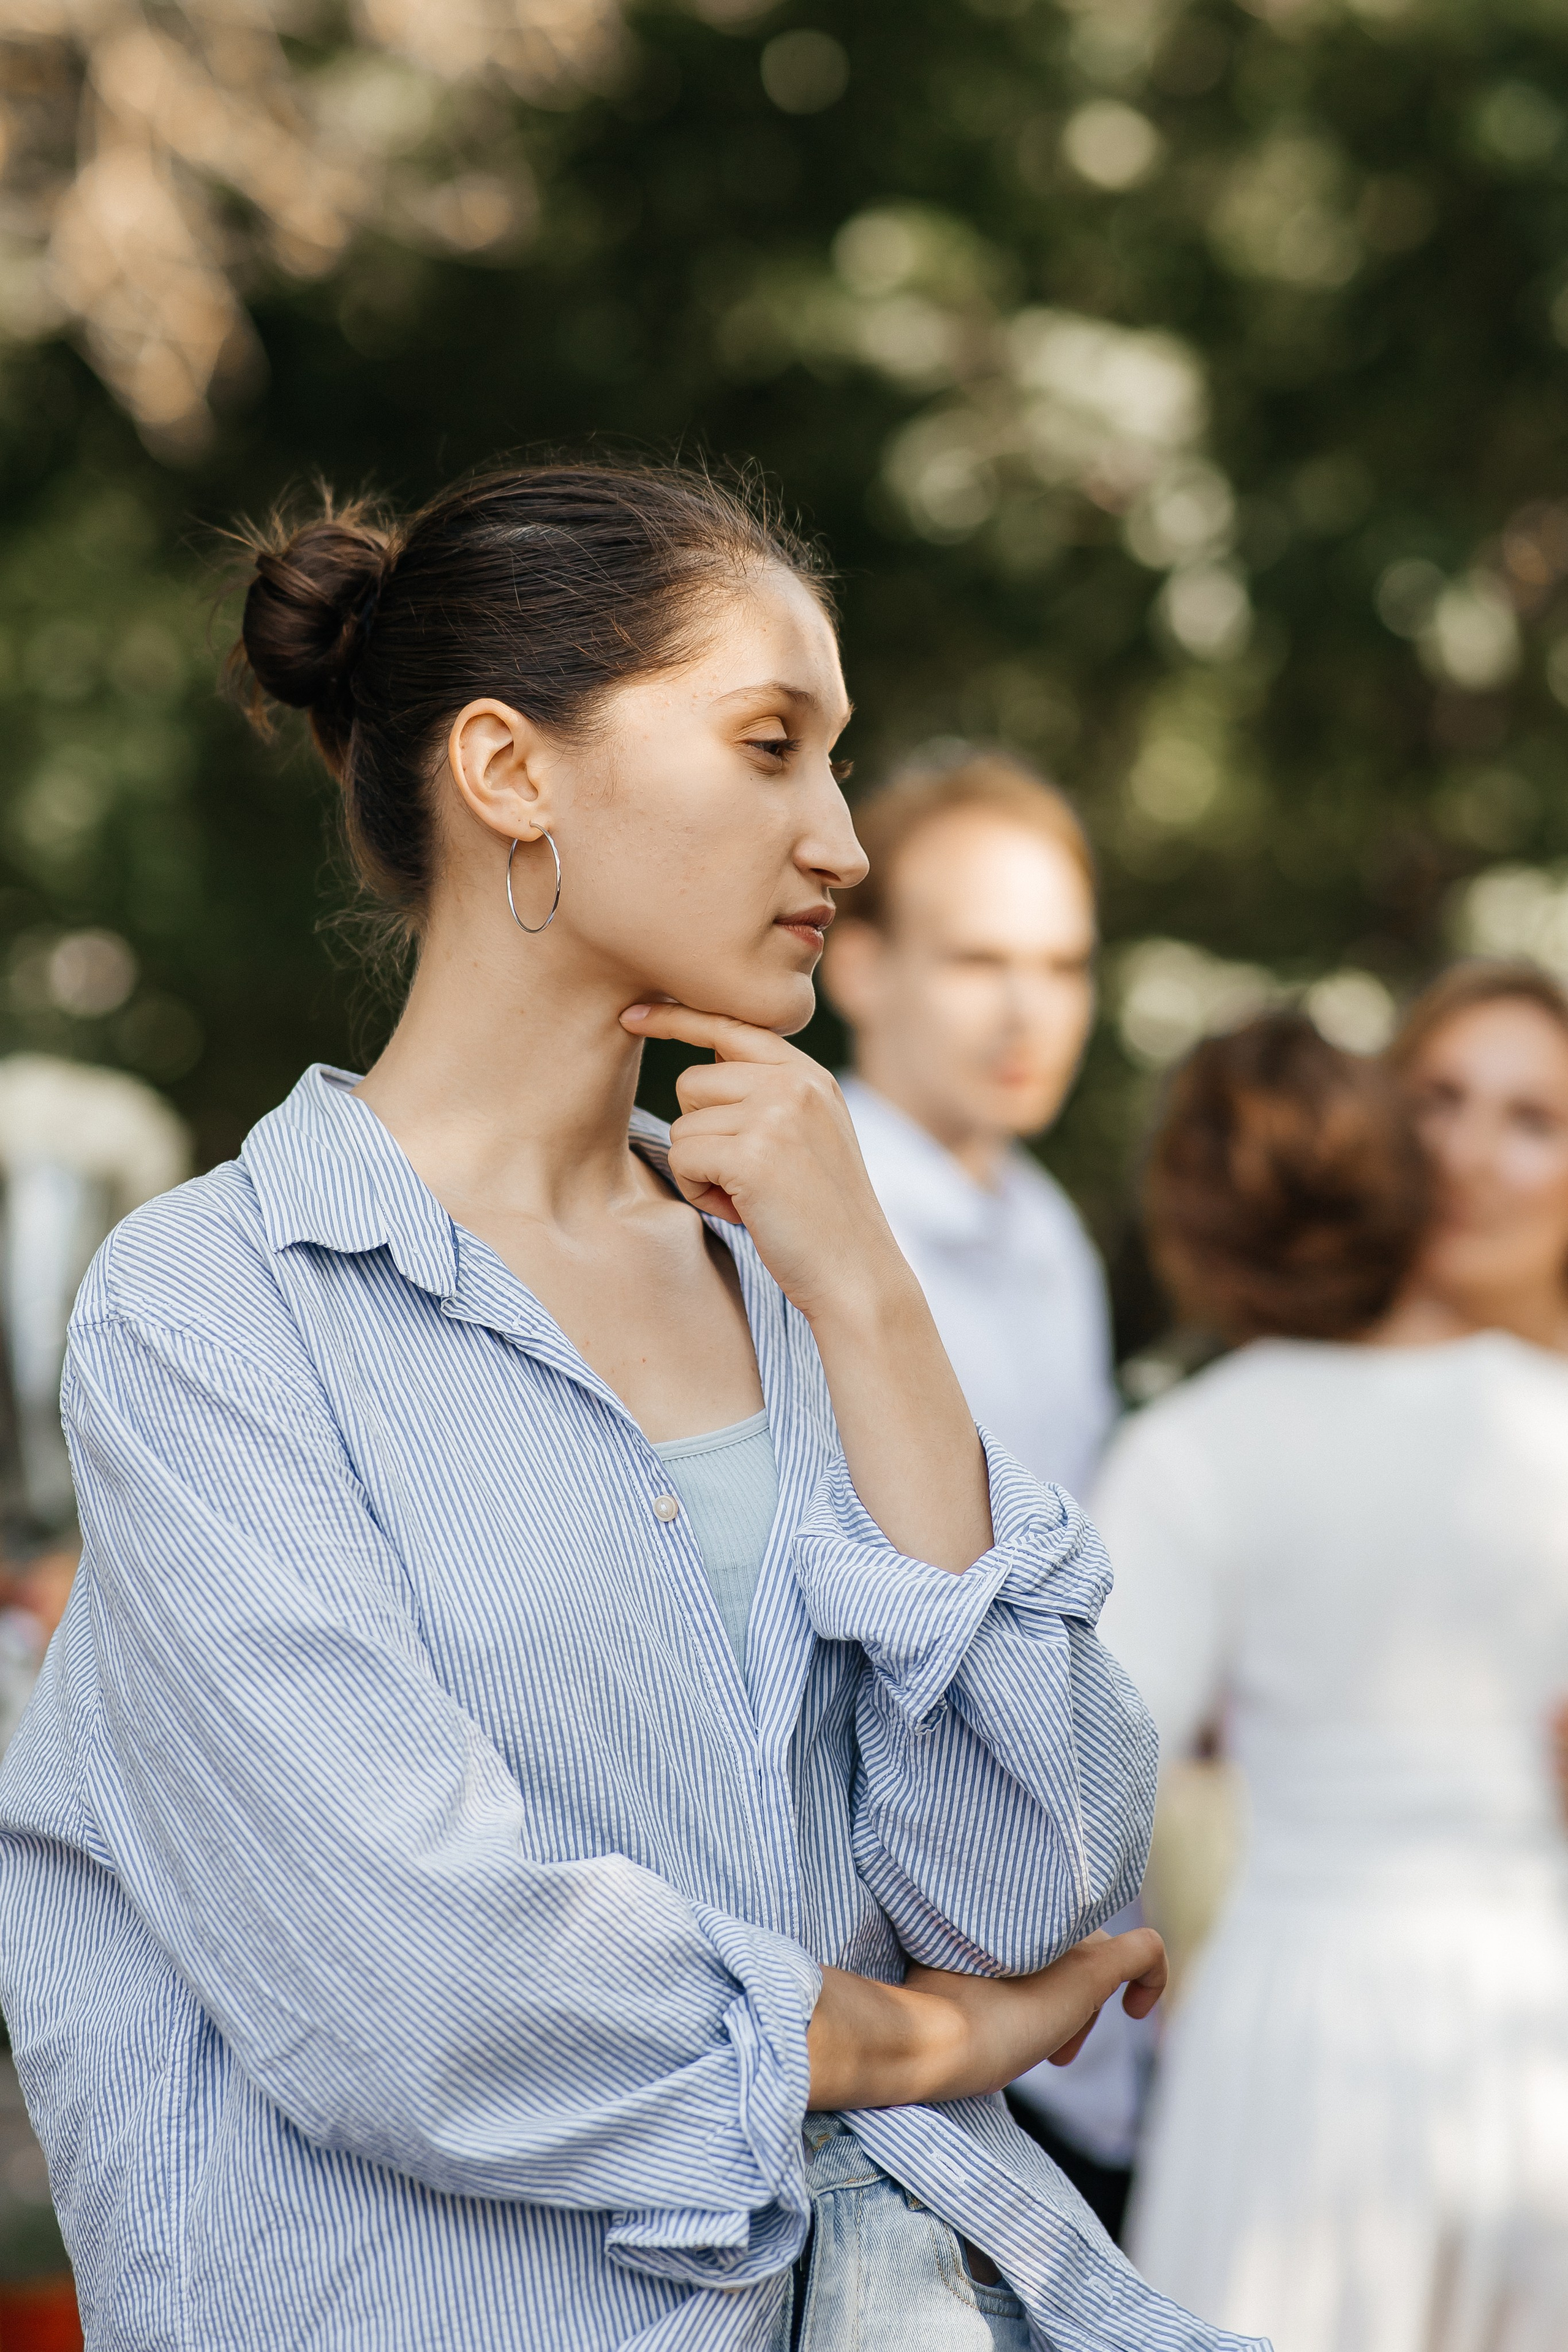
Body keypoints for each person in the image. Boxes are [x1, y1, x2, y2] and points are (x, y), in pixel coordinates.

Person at [0, 462, 1246, 2352]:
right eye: (771, 747)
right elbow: (423, 1991)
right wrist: (921, 2042)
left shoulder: (798, 1272)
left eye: (839, 762)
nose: (840, 839)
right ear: (511, 774)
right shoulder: (212, 1316)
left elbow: (1034, 1887)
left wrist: (878, 1308)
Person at [1096, 987, 1568, 2352]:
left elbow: (1074, 1793)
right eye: (1439, 1101)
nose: (1470, 1156)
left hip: (1322, 2032)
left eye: (1530, 1120)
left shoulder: (1199, 1444)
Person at [821, 751, 1141, 2233]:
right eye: (978, 962)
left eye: (1062, 965)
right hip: (875, 1961)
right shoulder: (795, 1210)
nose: (1028, 1011)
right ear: (860, 967)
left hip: (1049, 1927)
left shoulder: (1049, 1232)